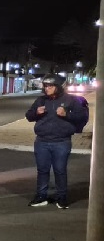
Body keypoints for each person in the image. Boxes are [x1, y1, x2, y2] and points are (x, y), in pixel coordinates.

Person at [24, 74, 86, 209]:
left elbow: (82, 117)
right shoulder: (41, 100)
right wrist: (36, 113)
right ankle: (41, 196)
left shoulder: (71, 100)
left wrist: (67, 114)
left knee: (60, 170)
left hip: (62, 142)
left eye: (50, 86)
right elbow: (28, 116)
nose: (47, 89)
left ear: (58, 87)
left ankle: (62, 197)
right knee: (42, 170)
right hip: (41, 141)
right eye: (45, 86)